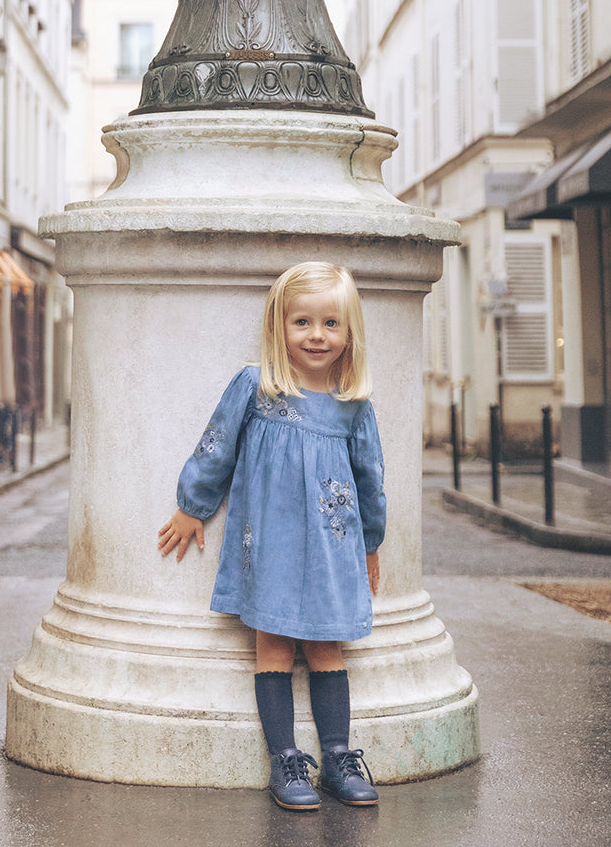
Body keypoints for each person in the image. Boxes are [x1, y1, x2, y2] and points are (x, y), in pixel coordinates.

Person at [157, 261, 385, 811]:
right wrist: (193, 505)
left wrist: (371, 544)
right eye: (302, 322)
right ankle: (285, 758)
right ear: (278, 326)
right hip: (273, 547)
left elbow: (371, 479)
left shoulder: (353, 406)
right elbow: (217, 445)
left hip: (331, 548)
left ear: (349, 332)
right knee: (274, 646)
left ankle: (337, 755)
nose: (316, 335)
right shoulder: (256, 387)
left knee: (327, 645)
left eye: (331, 323)